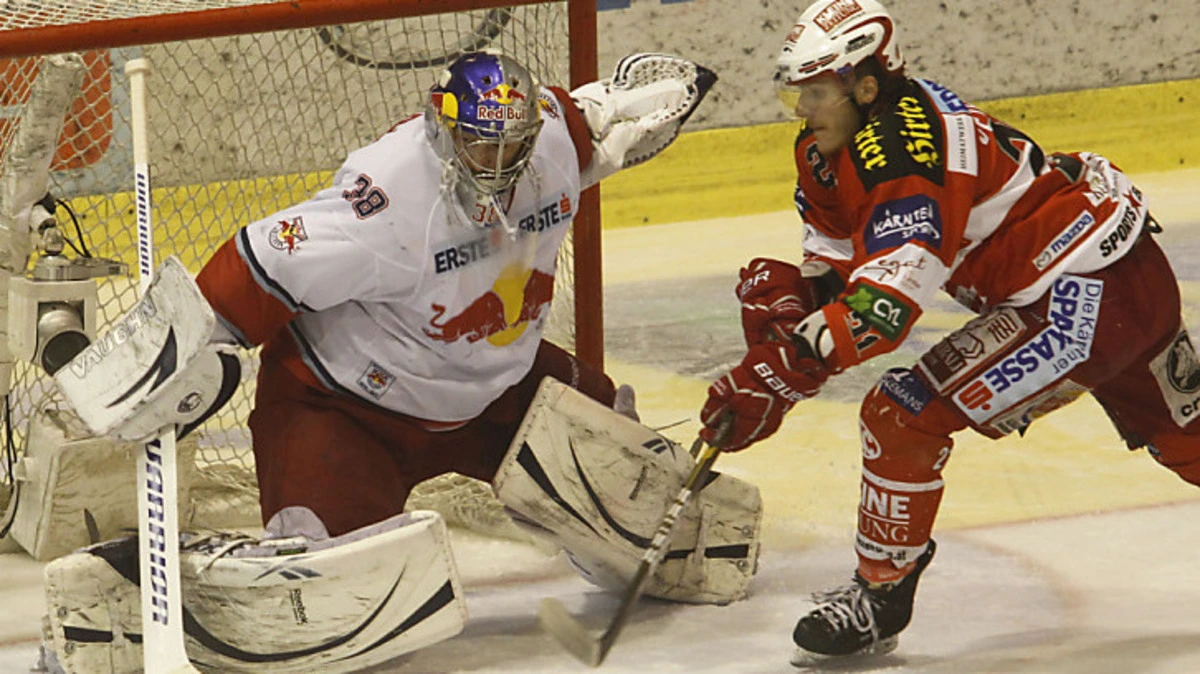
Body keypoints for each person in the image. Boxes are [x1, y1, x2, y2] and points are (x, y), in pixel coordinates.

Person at [48, 50, 762, 672]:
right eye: (479, 145)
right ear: (442, 130)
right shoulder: (384, 200)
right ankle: (142, 586)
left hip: (499, 391)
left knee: (642, 491)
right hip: (348, 411)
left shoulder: (545, 143)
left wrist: (647, 100)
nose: (499, 165)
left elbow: (597, 120)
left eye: (513, 145)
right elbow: (255, 265)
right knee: (337, 602)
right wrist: (180, 359)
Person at [697, 0, 1200, 664]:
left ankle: (881, 596)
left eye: (816, 93)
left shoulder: (903, 152)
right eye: (799, 92)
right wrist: (792, 318)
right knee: (1189, 437)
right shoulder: (832, 146)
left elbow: (883, 307)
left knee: (900, 415)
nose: (802, 109)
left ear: (866, 87)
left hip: (1079, 303)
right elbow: (841, 261)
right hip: (1125, 274)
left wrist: (782, 373)